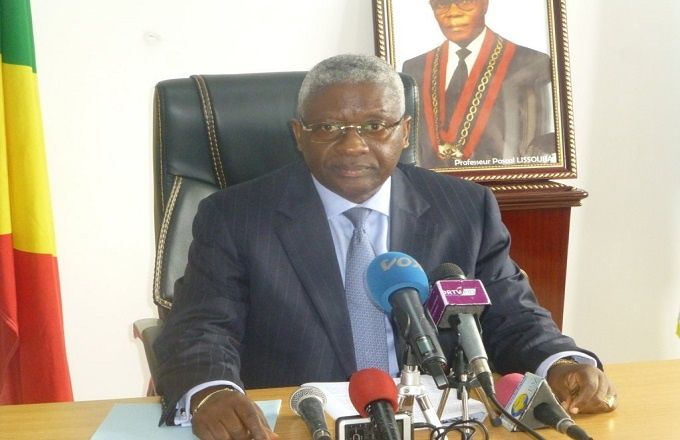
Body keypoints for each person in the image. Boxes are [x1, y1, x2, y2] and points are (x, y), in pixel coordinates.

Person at [154, 53, 616, 440]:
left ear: (405, 131)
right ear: (298, 134)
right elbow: (202, 327)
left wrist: (562, 362)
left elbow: (513, 316)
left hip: (436, 423)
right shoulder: (236, 216)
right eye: (328, 127)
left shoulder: (464, 209)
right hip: (303, 424)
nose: (352, 145)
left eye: (375, 125)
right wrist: (212, 392)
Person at [402, 0, 556, 169]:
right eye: (441, 5)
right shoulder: (414, 68)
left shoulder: (531, 63)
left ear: (485, 4)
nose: (453, 13)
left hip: (506, 180)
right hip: (431, 182)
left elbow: (536, 146)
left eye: (464, 2)